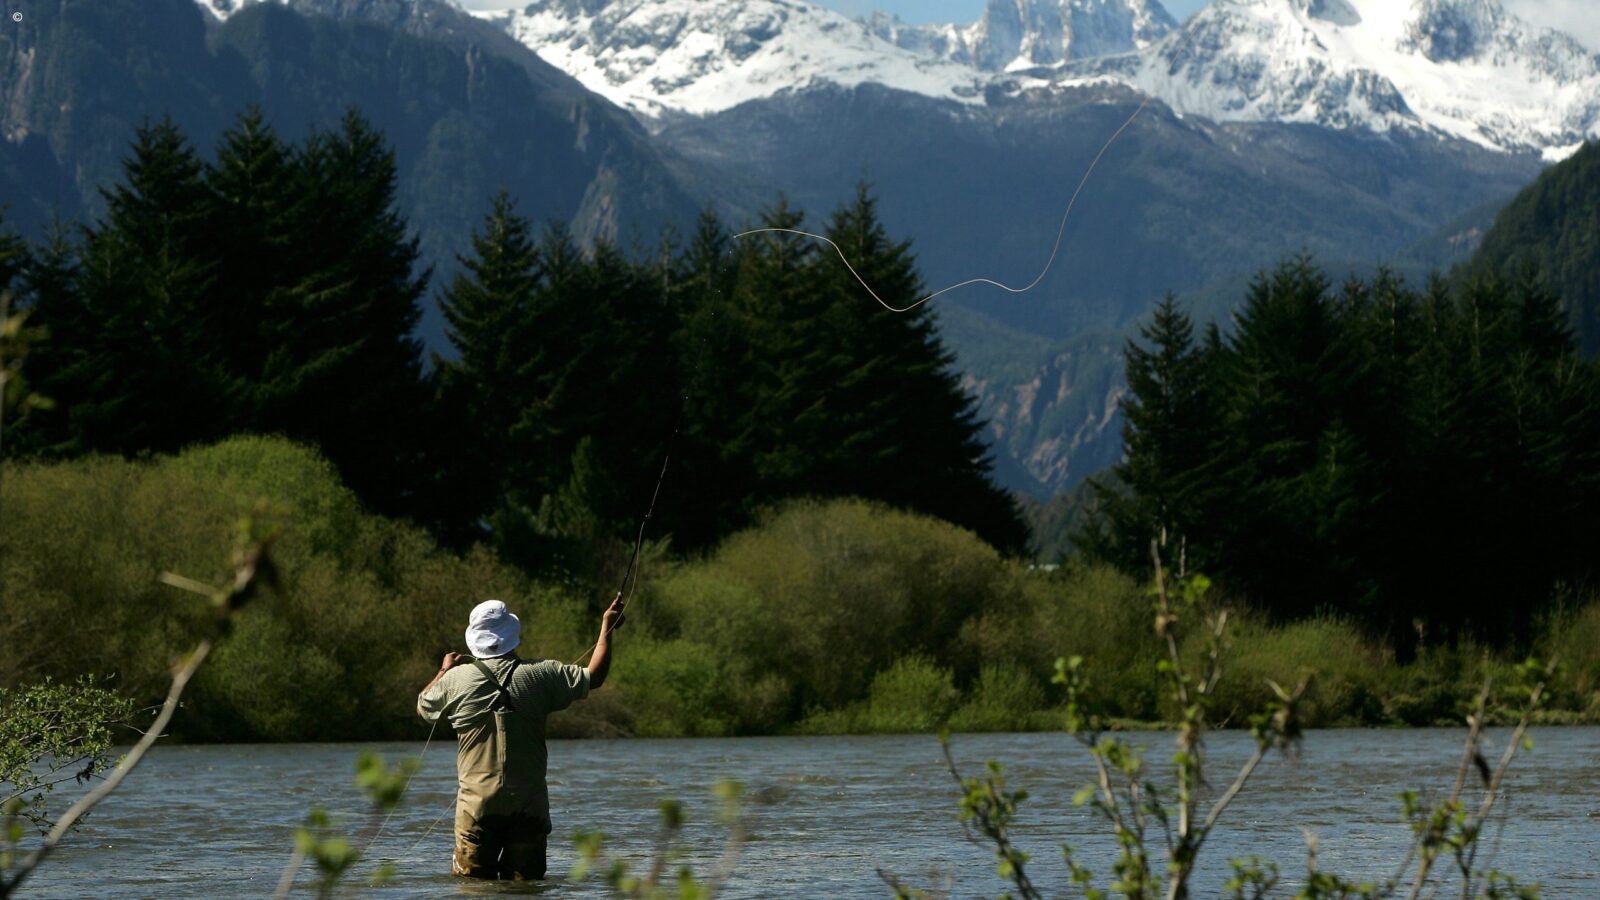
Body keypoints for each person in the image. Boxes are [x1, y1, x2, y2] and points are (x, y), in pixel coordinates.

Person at [417, 592, 624, 880]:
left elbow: (424, 705)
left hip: (477, 808)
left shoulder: (455, 679)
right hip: (529, 808)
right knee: (527, 891)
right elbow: (594, 676)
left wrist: (443, 670)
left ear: (474, 638)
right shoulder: (542, 674)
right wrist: (607, 626)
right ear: (512, 634)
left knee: (474, 891)